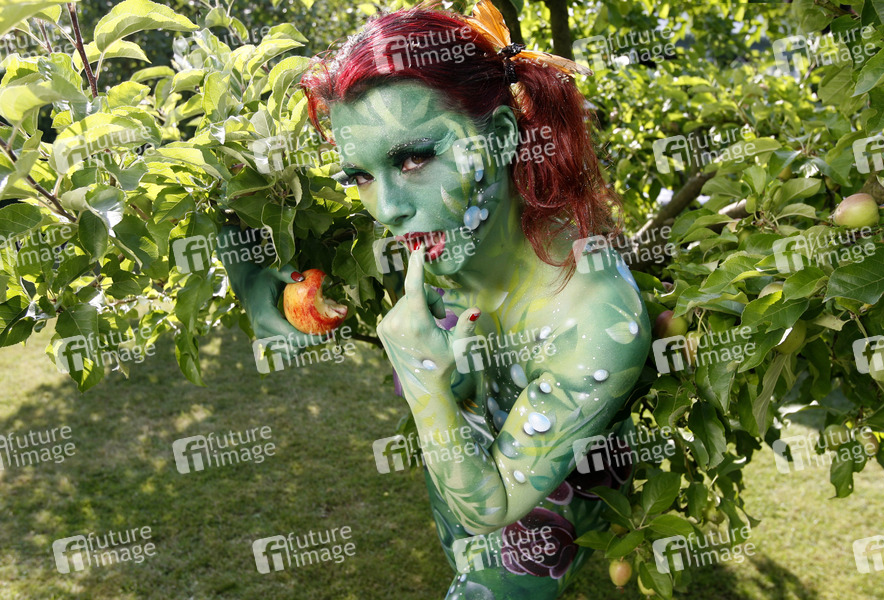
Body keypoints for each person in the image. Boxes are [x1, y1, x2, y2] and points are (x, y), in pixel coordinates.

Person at [221, 2, 650, 597]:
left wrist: (424, 380)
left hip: (537, 529)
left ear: (502, 138)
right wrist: (249, 272)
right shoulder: (454, 234)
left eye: (415, 158)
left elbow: (490, 507)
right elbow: (231, 202)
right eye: (360, 176)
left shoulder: (593, 315)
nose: (388, 209)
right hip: (456, 504)